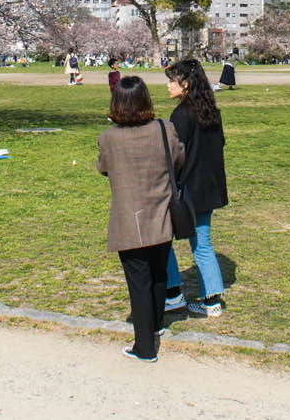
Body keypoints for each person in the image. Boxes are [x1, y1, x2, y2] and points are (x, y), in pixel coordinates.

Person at [97, 75, 182, 362]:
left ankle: (144, 346)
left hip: (128, 216)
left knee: (139, 281)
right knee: (158, 274)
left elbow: (103, 167)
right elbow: (178, 159)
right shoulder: (163, 129)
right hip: (160, 214)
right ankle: (155, 326)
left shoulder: (109, 138)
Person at [161, 59, 230, 318]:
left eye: (172, 81)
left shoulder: (181, 115)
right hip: (208, 188)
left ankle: (172, 293)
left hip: (186, 189)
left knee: (163, 240)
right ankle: (211, 300)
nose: (168, 86)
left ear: (186, 84)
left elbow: (174, 154)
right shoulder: (211, 111)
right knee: (202, 244)